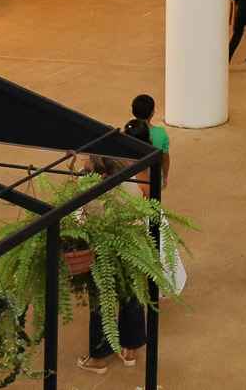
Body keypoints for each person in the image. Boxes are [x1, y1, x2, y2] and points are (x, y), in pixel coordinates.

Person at [76, 152, 150, 372]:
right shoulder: (133, 178)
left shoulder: (86, 187)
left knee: (101, 301)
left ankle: (98, 358)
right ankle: (130, 350)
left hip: (101, 251)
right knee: (132, 295)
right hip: (134, 245)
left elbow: (75, 215)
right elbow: (147, 200)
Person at [129, 94, 172, 187]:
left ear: (133, 111)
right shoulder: (161, 133)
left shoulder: (129, 130)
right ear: (152, 112)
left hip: (133, 179)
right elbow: (165, 158)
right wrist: (165, 176)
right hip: (154, 179)